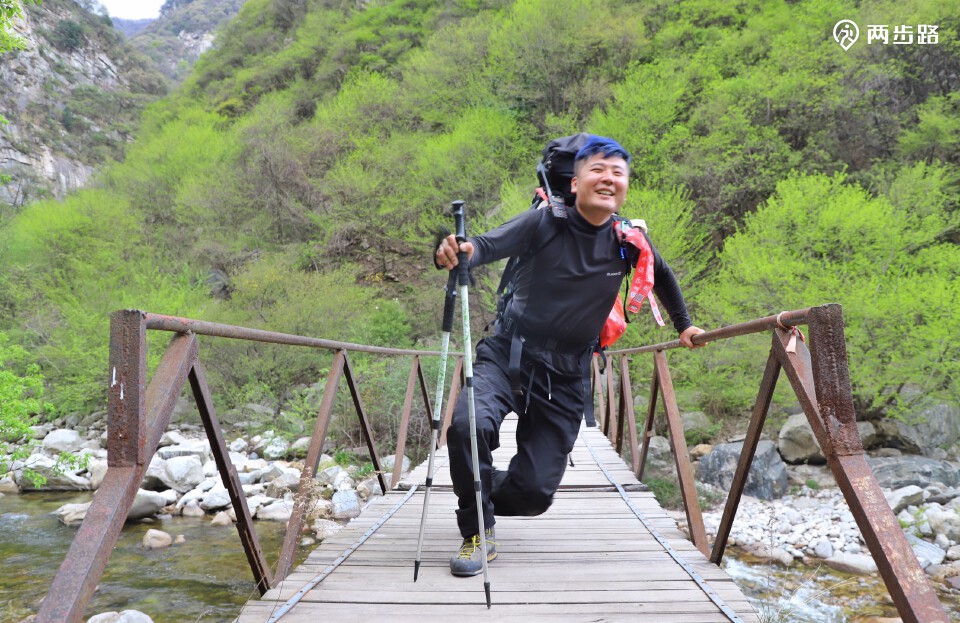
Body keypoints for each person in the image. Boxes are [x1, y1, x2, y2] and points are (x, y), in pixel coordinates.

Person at [434, 135, 705, 577]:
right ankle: (477, 531)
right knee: (467, 425)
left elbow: (663, 277)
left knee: (535, 494)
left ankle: (477, 485)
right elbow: (482, 246)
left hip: (566, 373)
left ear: (625, 187)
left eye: (618, 173)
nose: (608, 178)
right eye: (598, 169)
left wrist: (685, 325)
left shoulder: (626, 241)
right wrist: (456, 250)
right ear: (575, 182)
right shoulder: (544, 224)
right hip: (508, 352)